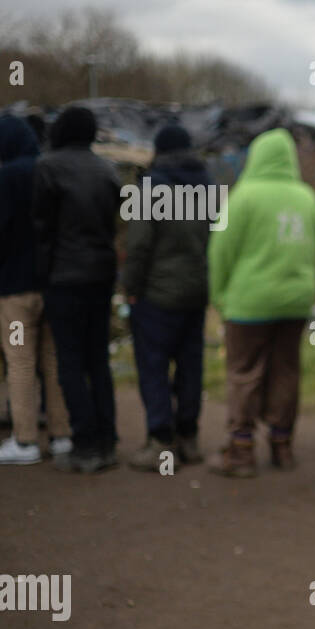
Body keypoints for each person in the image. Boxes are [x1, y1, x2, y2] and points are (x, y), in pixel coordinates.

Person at [208, 127, 315, 477]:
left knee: (244, 374)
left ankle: (241, 451)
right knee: (286, 371)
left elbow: (220, 253)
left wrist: (221, 298)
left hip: (249, 302)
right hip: (296, 302)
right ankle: (282, 445)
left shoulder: (242, 197)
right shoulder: (307, 198)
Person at [0, 117, 72, 463]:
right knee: (53, 359)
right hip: (52, 284)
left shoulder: (7, 177)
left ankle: (26, 440)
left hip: (16, 291)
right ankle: (61, 435)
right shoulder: (49, 170)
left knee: (19, 362)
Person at [122, 124, 212, 471]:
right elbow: (216, 240)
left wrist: (130, 287)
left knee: (154, 367)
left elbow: (138, 245)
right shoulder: (208, 187)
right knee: (191, 365)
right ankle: (189, 438)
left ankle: (161, 443)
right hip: (197, 292)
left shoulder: (149, 188)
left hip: (156, 296)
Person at [34, 106, 119, 473]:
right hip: (101, 275)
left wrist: (42, 279)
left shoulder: (48, 168)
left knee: (70, 363)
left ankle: (85, 444)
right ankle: (107, 440)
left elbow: (41, 232)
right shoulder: (109, 170)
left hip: (64, 278)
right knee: (98, 360)